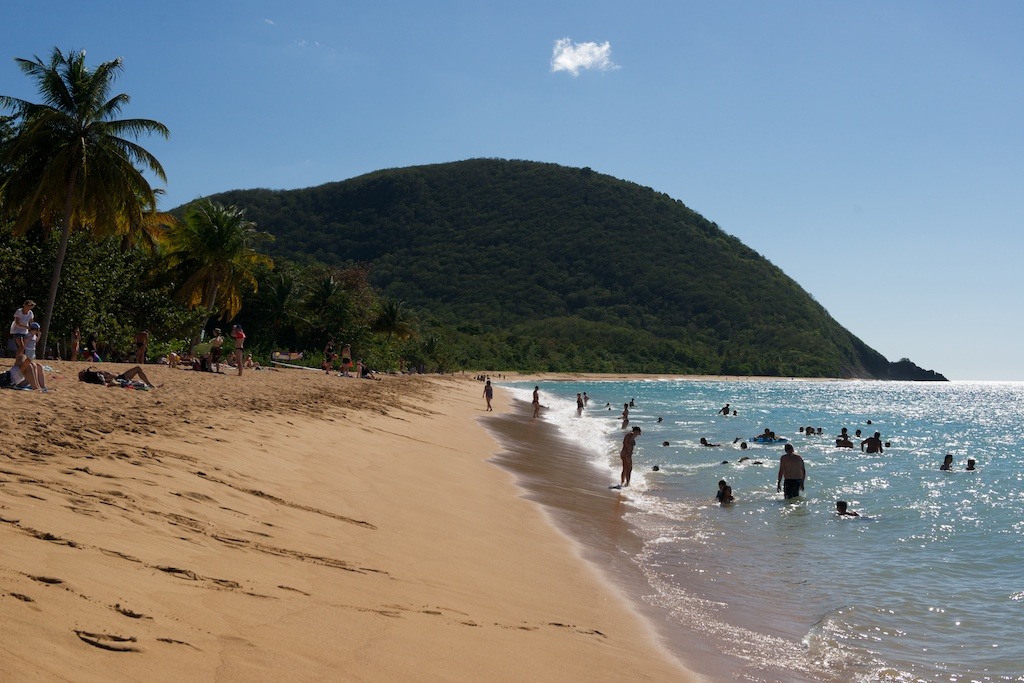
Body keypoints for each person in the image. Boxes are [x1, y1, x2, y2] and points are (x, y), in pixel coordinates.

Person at [78, 365, 154, 388]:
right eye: (82, 372)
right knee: (138, 368)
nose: (83, 370)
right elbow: (103, 381)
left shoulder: (94, 374)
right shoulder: (94, 376)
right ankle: (149, 384)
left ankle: (149, 384)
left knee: (138, 369)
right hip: (120, 378)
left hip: (120, 376)